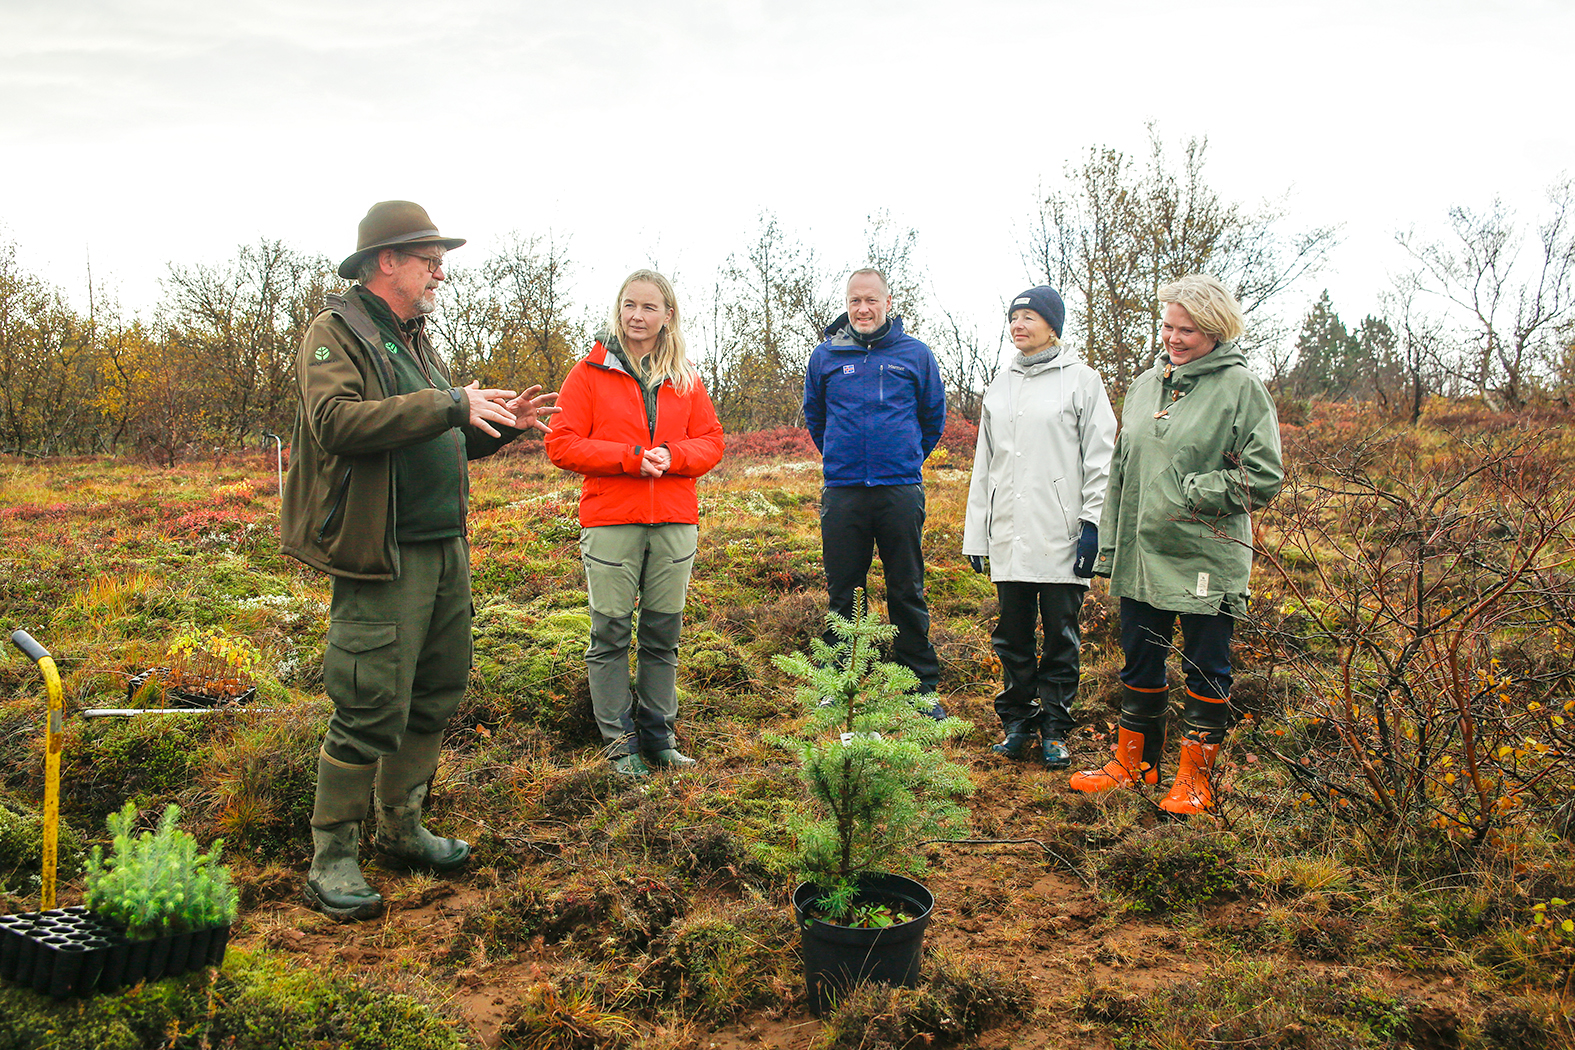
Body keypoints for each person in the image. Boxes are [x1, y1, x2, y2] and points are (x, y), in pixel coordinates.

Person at [281, 201, 560, 920]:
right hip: (382, 553)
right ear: (386, 262)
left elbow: (438, 432)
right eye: (428, 257)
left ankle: (401, 828)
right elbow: (336, 423)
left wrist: (496, 428)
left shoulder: (413, 339)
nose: (440, 270)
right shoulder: (336, 332)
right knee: (369, 702)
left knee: (435, 690)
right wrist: (447, 403)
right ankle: (332, 856)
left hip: (444, 549)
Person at [1070, 275, 1283, 814]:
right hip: (1143, 554)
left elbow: (1264, 475)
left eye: (1187, 329)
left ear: (1215, 330)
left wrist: (1194, 492)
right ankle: (1134, 764)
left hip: (1204, 554)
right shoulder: (1144, 386)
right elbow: (1121, 471)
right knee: (1139, 660)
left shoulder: (1242, 389)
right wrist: (1112, 546)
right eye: (1167, 325)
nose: (1173, 337)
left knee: (1206, 665)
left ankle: (1196, 779)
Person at [544, 269, 724, 776]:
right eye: (629, 305)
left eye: (649, 307)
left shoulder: (686, 379)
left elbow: (712, 440)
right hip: (611, 523)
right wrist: (630, 457)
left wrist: (672, 454)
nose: (637, 316)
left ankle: (659, 738)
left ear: (668, 315)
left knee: (663, 635)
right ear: (617, 309)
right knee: (610, 634)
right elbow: (561, 443)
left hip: (673, 522)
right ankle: (619, 745)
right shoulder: (587, 374)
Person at [962, 286, 1116, 768]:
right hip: (1009, 533)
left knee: (1060, 633)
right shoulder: (1000, 384)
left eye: (1029, 316)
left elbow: (1101, 458)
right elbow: (984, 464)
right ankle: (1016, 723)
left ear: (1053, 325)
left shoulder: (1083, 382)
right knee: (1011, 635)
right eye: (1013, 317)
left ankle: (1054, 726)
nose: (1018, 325)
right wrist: (977, 531)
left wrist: (1093, 524)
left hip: (1061, 534)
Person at [803, 268, 946, 711]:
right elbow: (816, 418)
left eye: (871, 300)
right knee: (843, 589)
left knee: (907, 589)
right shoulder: (825, 357)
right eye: (854, 301)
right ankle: (838, 682)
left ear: (888, 301)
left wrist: (902, 458)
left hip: (899, 490)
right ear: (846, 304)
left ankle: (919, 688)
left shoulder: (915, 355)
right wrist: (841, 458)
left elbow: (932, 418)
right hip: (843, 491)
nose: (862, 309)